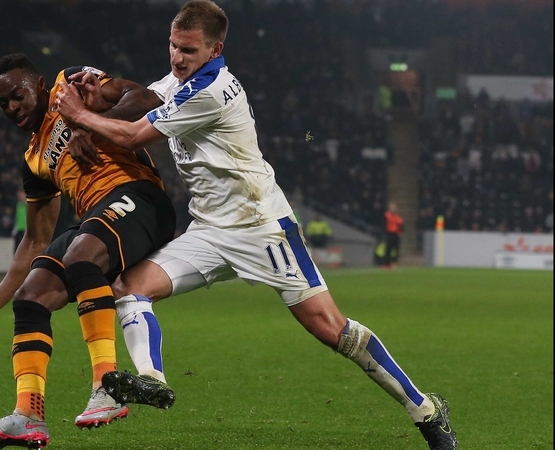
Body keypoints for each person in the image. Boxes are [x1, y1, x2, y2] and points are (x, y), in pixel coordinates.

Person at [54, 2, 456, 449]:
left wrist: (78, 115)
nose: (176, 57)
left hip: (262, 226)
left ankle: (425, 408)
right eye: (172, 45)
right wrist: (100, 95)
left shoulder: (210, 90)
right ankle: (148, 380)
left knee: (331, 330)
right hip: (208, 230)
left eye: (187, 49)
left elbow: (133, 135)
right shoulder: (180, 80)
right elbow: (140, 97)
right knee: (128, 287)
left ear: (215, 49)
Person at [0, 54, 175, 448]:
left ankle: (107, 387)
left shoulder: (70, 86)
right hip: (96, 220)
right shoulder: (33, 160)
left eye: (16, 96)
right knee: (31, 297)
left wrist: (90, 124)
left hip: (139, 197)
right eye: (3, 104)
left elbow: (147, 98)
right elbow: (34, 240)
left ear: (37, 85)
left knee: (81, 254)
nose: (12, 108)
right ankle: (28, 416)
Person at [383, 202, 404, 269]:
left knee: (396, 250)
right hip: (389, 234)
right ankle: (386, 264)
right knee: (388, 249)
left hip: (396, 235)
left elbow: (401, 227)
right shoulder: (386, 216)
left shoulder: (398, 218)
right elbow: (384, 225)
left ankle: (394, 263)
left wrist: (400, 233)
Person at [13, 188, 27, 253]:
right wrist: (14, 229)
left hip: (25, 231)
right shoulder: (18, 205)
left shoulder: (27, 205)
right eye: (18, 195)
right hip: (18, 230)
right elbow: (17, 218)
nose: (19, 196)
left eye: (21, 195)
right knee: (16, 250)